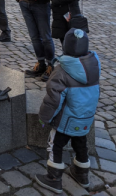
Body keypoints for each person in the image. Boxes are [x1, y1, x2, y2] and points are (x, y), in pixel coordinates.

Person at [35, 28, 100, 194]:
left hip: (65, 120)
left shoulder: (61, 71)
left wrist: (43, 118)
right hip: (85, 117)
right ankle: (82, 175)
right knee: (81, 143)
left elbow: (53, 101)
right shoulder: (94, 66)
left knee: (55, 145)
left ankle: (54, 178)